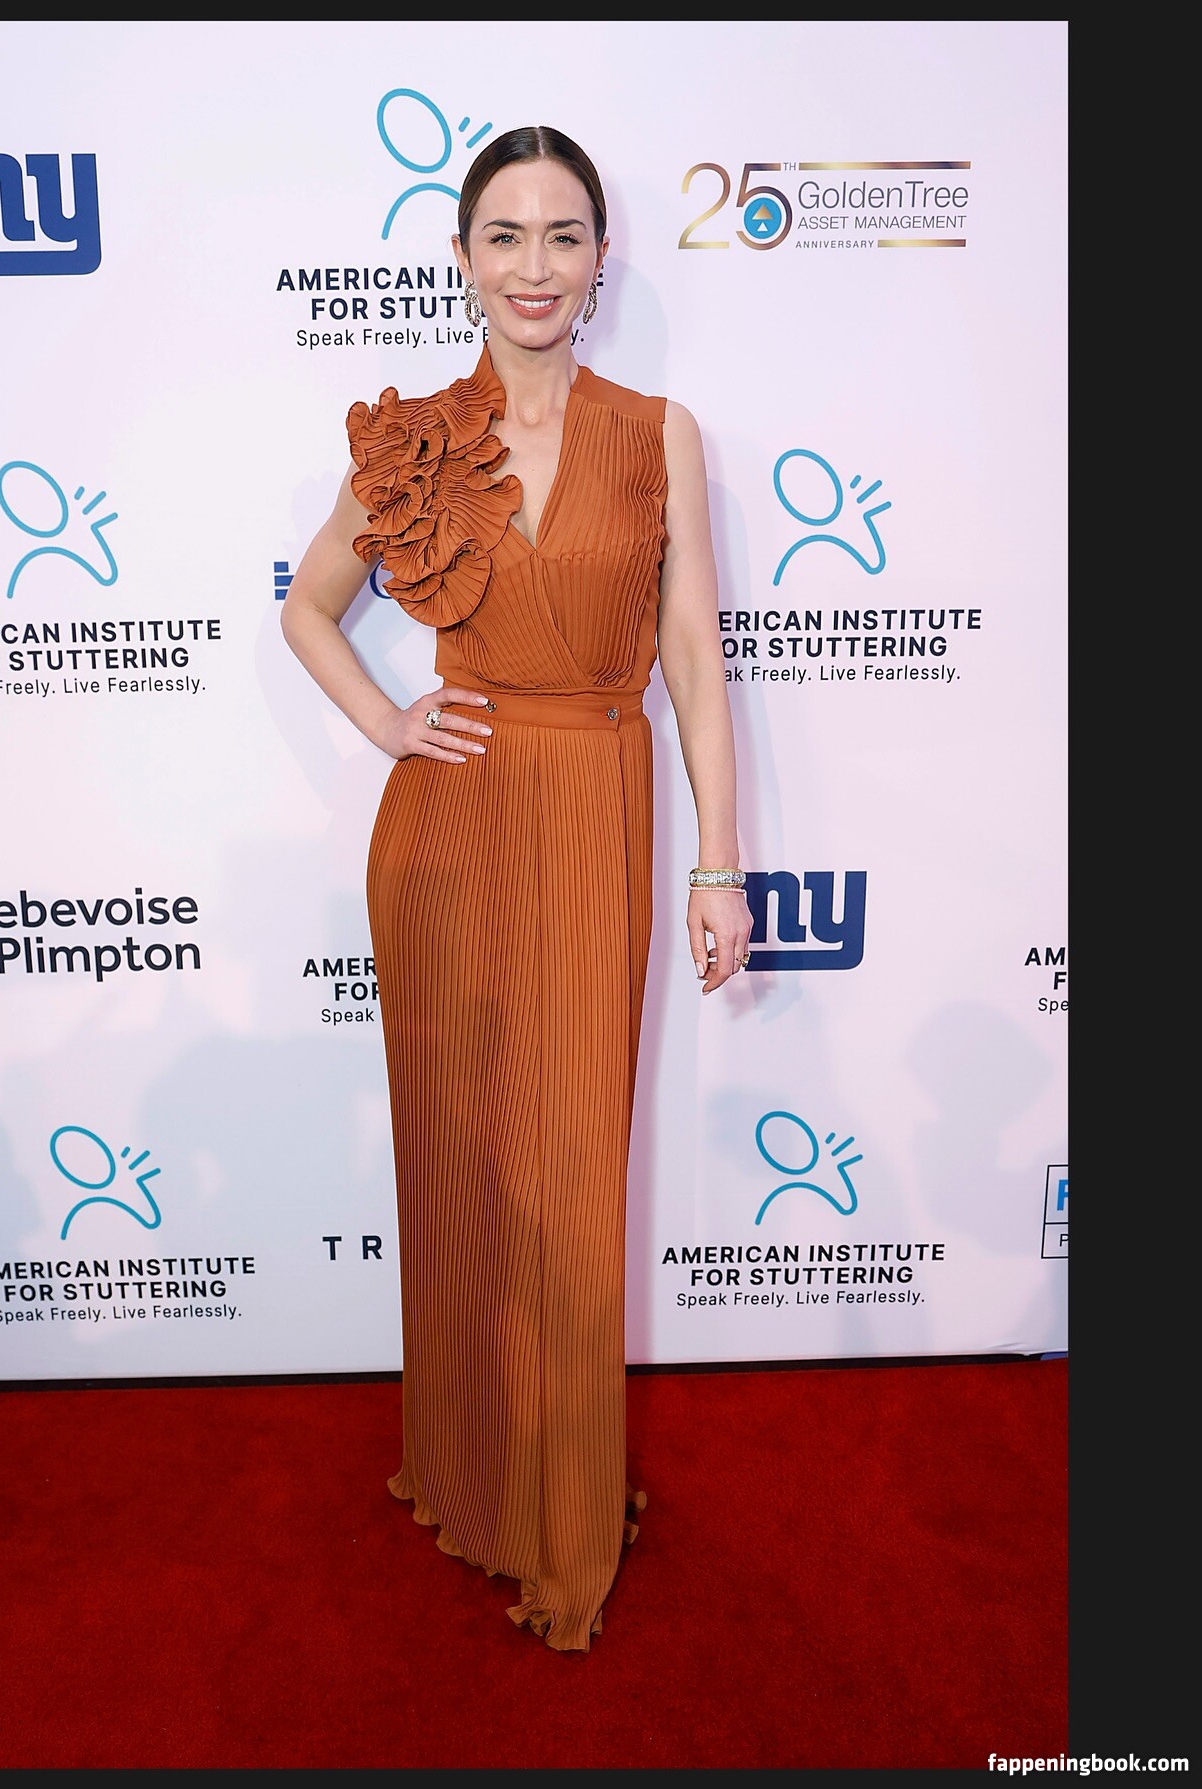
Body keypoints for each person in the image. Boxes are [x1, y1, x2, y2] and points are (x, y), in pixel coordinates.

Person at [280, 124, 751, 1652]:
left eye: (563, 235)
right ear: (463, 257)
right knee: (470, 1175)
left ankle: (560, 1504)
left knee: (566, 1181)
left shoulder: (660, 433)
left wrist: (720, 861)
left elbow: (695, 661)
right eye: (505, 234)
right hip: (452, 833)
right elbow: (308, 606)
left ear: (602, 259)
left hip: (595, 810)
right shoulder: (414, 439)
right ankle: (483, 1476)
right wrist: (387, 720)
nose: (534, 265)